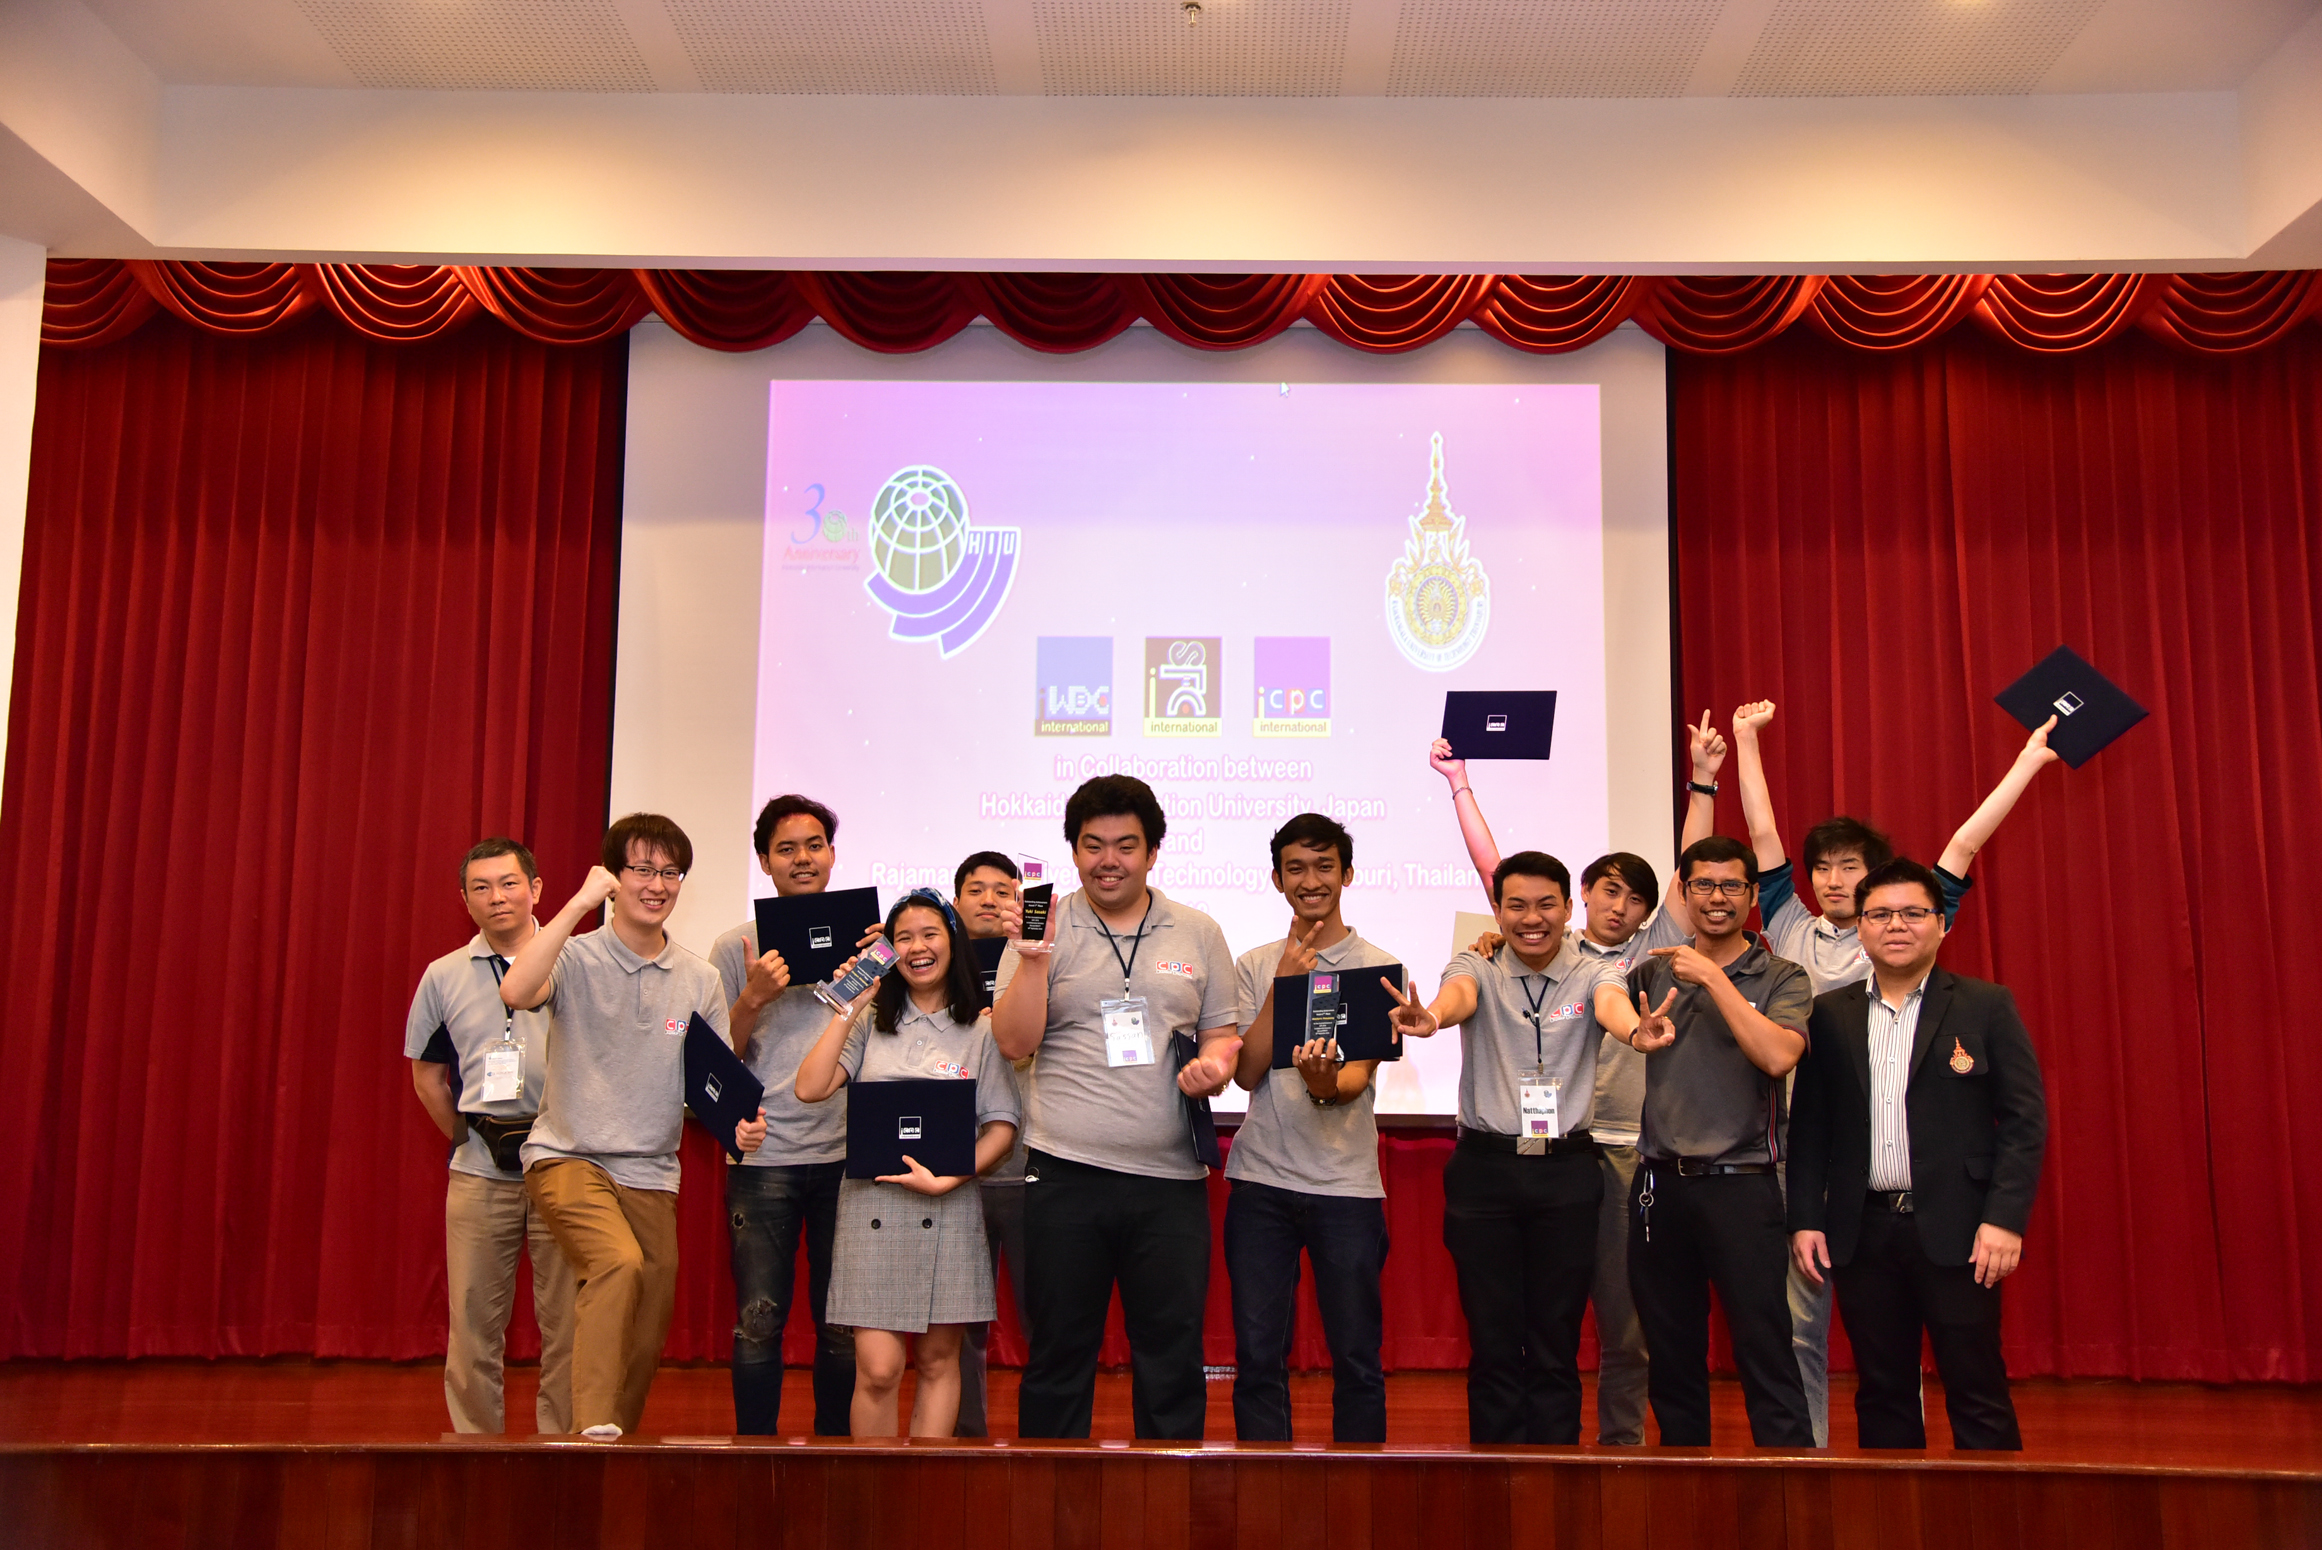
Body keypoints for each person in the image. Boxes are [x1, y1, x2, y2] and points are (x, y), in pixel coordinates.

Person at [1721, 700, 2061, 1443]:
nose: (1835, 881)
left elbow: (1964, 842)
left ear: (1934, 919)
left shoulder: (1954, 971)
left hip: (1943, 1207)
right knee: (1854, 1367)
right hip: (1821, 1176)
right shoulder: (1797, 938)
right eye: (1824, 867)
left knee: (1970, 1376)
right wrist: (1745, 742)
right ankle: (1812, 1459)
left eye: (1851, 868)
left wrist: (2028, 763)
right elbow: (1764, 835)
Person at [1425, 715, 1726, 1445]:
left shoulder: (1631, 959)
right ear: (1582, 895)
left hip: (1613, 1152)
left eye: (1635, 898)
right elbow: (1496, 871)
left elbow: (1685, 878)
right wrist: (1460, 785)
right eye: (1608, 891)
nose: (1620, 907)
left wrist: (1703, 781)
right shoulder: (1505, 948)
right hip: (1527, 1156)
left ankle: (1615, 1448)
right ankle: (1510, 1458)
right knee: (1508, 1327)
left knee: (1614, 1321)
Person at [501, 813, 767, 1441]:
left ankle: (612, 1438)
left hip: (651, 1171)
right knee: (617, 1263)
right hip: (570, 1155)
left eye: (670, 873)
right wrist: (577, 905)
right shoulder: (575, 956)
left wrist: (738, 1130)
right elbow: (516, 990)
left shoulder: (699, 978)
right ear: (614, 877)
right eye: (643, 870)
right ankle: (592, 1424)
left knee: (649, 1319)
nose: (657, 885)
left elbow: (712, 1085)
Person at [992, 774, 1241, 1440]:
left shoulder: (1198, 931)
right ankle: (1049, 1494)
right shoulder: (1043, 921)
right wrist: (1034, 961)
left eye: (1126, 846)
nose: (1109, 860)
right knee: (1059, 1353)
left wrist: (1216, 1067)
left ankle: (1170, 1493)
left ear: (1152, 851)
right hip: (1064, 1173)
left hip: (1170, 1182)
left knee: (1172, 1358)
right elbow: (1013, 1042)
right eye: (1093, 845)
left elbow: (1222, 1033)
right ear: (1074, 850)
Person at [1788, 858, 2048, 1449]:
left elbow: (2024, 1120)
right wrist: (1805, 1217)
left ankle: (1989, 1502)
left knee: (1976, 1387)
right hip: (1862, 1231)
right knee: (1882, 1391)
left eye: (1912, 913)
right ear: (1860, 927)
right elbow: (1811, 1127)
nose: (1896, 926)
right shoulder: (1831, 1014)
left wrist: (2004, 1220)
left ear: (1941, 924)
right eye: (1880, 914)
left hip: (1962, 1231)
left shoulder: (1985, 1005)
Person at [1385, 851, 1624, 1444]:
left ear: (1569, 909)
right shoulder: (1478, 962)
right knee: (1492, 1339)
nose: (1531, 918)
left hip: (1567, 1171)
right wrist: (1431, 1019)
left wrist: (1633, 1030)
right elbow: (1457, 997)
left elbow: (1612, 1007)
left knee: (1555, 1340)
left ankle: (1556, 1471)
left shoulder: (1595, 970)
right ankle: (1495, 1471)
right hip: (1485, 1172)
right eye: (1516, 906)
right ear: (1497, 911)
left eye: (1546, 905)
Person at [1595, 835, 1815, 1448]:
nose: (1717, 898)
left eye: (1731, 886)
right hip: (1659, 1186)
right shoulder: (1654, 968)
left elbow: (1778, 1056)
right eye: (1703, 886)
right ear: (1685, 893)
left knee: (1765, 1346)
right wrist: (1631, 1026)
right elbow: (1600, 988)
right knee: (1670, 1352)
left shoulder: (1782, 975)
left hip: (1743, 1185)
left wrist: (1715, 978)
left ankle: (1790, 1479)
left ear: (1752, 895)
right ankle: (1683, 1479)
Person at [795, 891, 1022, 1438]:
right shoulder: (870, 1023)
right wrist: (849, 1005)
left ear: (953, 943)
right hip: (870, 1210)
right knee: (878, 1369)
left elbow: (1003, 1126)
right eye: (903, 938)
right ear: (888, 952)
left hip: (949, 1207)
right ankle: (874, 1484)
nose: (917, 947)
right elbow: (809, 1087)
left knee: (940, 1361)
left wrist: (951, 1177)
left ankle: (925, 1482)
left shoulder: (982, 1030)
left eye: (929, 934)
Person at [1224, 813, 1401, 1443]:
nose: (1311, 881)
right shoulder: (1253, 964)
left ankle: (1361, 1485)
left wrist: (1323, 1083)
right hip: (1261, 1185)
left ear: (1347, 874)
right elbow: (1246, 1072)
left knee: (1357, 1358)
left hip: (1346, 1187)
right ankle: (1263, 1482)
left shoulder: (1380, 967)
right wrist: (1285, 984)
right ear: (1277, 880)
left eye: (1325, 866)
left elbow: (1353, 1080)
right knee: (1257, 1357)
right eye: (1295, 868)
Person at [707, 794, 878, 1436]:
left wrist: (881, 967)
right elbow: (716, 1061)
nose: (801, 859)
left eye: (813, 845)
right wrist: (752, 998)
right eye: (785, 849)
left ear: (832, 854)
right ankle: (755, 1453)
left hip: (848, 1155)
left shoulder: (873, 942)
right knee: (759, 1319)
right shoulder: (735, 946)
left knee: (842, 1323)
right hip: (764, 1156)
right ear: (764, 861)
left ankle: (835, 1450)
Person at [405, 837, 576, 1434]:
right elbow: (427, 1075)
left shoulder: (576, 962)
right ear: (465, 900)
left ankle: (562, 1449)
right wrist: (464, 1138)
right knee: (473, 1325)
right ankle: (476, 1451)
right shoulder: (443, 975)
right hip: (480, 1172)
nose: (497, 897)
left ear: (536, 890)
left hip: (565, 1167)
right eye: (481, 888)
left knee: (569, 1326)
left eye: (509, 884)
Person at [949, 849, 1034, 1438]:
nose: (989, 900)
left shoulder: (1038, 962)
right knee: (959, 1325)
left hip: (1033, 1165)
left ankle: (1046, 1445)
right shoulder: (930, 961)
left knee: (1042, 1317)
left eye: (1003, 891)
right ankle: (965, 1439)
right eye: (976, 890)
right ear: (956, 902)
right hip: (958, 1168)